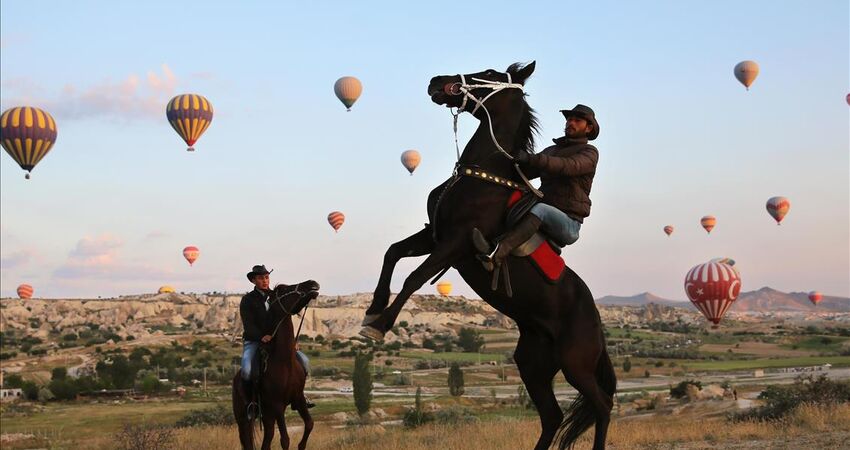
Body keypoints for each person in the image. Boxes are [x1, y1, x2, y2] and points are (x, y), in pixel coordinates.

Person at [473, 104, 600, 269]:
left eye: (577, 120)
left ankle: (497, 252)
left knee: (541, 210)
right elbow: (525, 172)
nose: (571, 123)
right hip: (542, 208)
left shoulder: (589, 152)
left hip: (569, 222)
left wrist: (531, 158)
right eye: (569, 119)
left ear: (588, 128)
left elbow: (569, 166)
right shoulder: (551, 150)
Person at [240, 264, 315, 416]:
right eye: (261, 278)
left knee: (304, 362)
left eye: (267, 277)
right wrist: (261, 336)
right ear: (253, 280)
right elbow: (248, 324)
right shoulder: (248, 300)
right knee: (247, 370)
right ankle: (253, 403)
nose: (265, 281)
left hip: (278, 341)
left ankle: (299, 396)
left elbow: (292, 309)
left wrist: (306, 298)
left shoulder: (277, 296)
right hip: (255, 341)